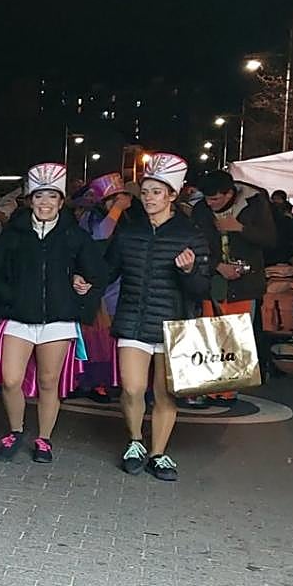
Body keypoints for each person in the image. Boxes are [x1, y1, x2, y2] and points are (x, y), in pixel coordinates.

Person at [0, 163, 107, 464]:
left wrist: (81, 288)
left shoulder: (74, 235)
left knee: (49, 382)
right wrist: (10, 300)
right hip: (18, 318)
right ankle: (16, 430)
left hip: (59, 320)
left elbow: (98, 274)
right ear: (30, 200)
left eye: (52, 196)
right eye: (39, 197)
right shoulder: (14, 233)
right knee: (11, 380)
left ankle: (44, 438)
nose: (45, 203)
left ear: (61, 201)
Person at [104, 154, 212, 482]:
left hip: (173, 325)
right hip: (133, 320)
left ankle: (158, 453)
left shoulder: (191, 235)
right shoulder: (128, 233)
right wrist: (82, 282)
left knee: (165, 394)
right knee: (133, 388)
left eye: (157, 192)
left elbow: (202, 287)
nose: (150, 198)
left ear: (172, 195)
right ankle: (135, 441)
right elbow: (107, 270)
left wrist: (190, 270)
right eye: (146, 192)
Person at [190, 170, 276, 402]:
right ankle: (207, 386)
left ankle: (227, 389)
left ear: (230, 193)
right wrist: (217, 265)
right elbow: (196, 243)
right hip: (212, 281)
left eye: (216, 198)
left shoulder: (255, 204)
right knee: (210, 334)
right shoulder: (201, 210)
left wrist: (240, 228)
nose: (211, 203)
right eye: (207, 198)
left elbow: (270, 239)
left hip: (245, 283)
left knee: (236, 336)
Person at [75, 173, 132, 398]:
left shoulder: (129, 219)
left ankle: (119, 378)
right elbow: (101, 234)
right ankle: (95, 381)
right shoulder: (90, 217)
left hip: (121, 280)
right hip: (99, 282)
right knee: (99, 336)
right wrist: (116, 210)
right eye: (113, 199)